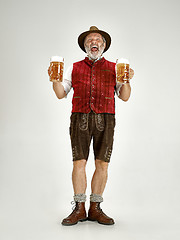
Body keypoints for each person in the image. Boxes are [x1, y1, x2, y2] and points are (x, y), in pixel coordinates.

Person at [49, 26, 134, 226]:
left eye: (98, 40)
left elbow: (125, 97)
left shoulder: (116, 68)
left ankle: (95, 208)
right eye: (90, 40)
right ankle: (79, 208)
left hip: (106, 118)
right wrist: (54, 80)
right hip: (80, 118)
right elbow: (61, 94)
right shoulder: (73, 67)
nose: (93, 42)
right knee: (79, 162)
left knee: (102, 164)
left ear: (103, 46)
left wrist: (128, 80)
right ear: (85, 46)